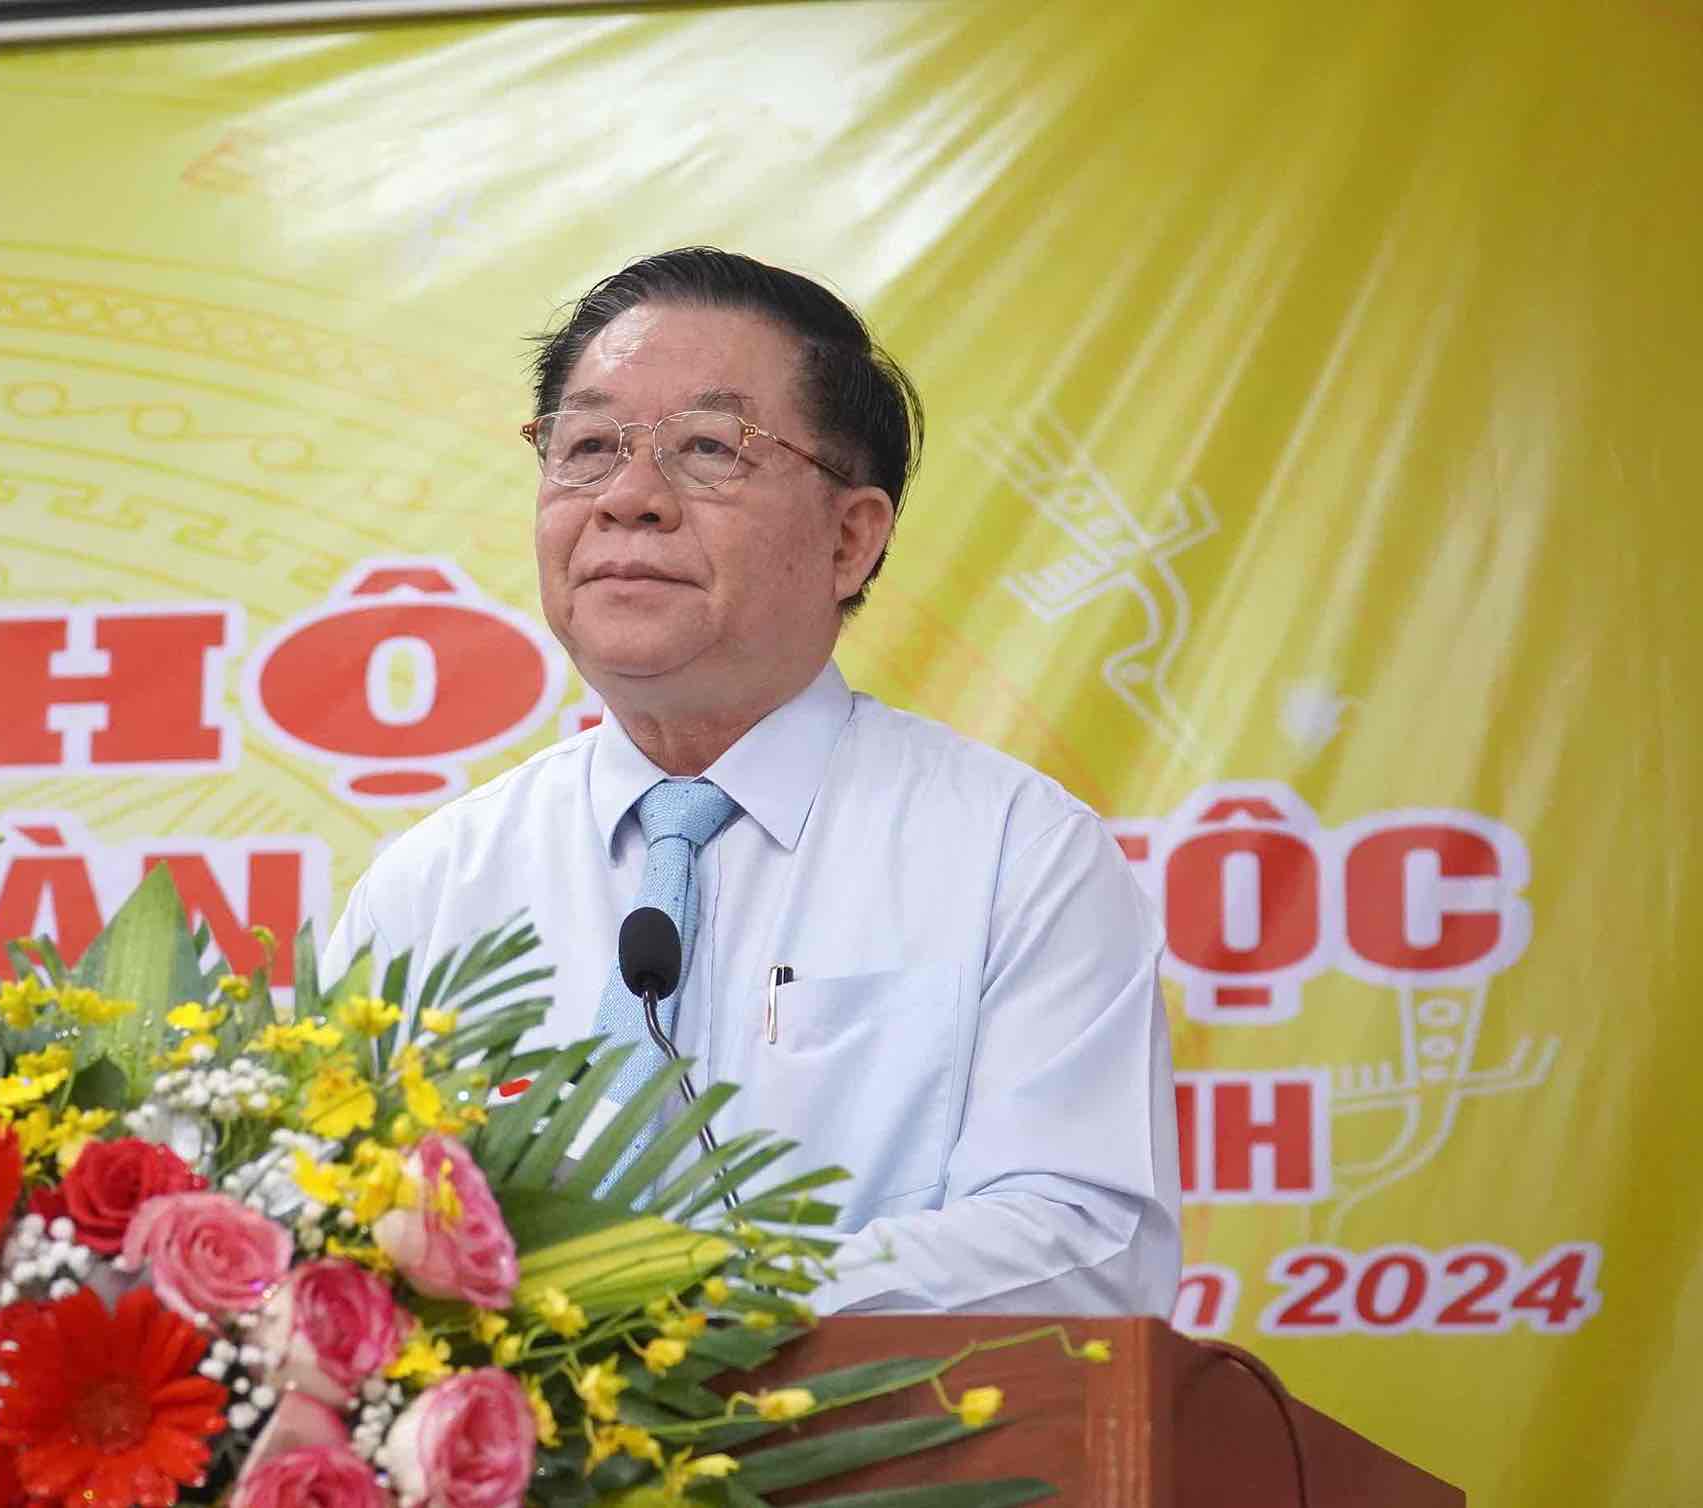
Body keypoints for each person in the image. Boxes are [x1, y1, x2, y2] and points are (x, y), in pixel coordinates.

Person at [323, 247, 1179, 1315]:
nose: (629, 498)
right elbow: (330, 1235)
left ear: (849, 538)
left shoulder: (1014, 852)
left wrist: (692, 1309)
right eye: (586, 446)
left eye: (708, 448)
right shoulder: (432, 886)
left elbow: (1085, 1247)